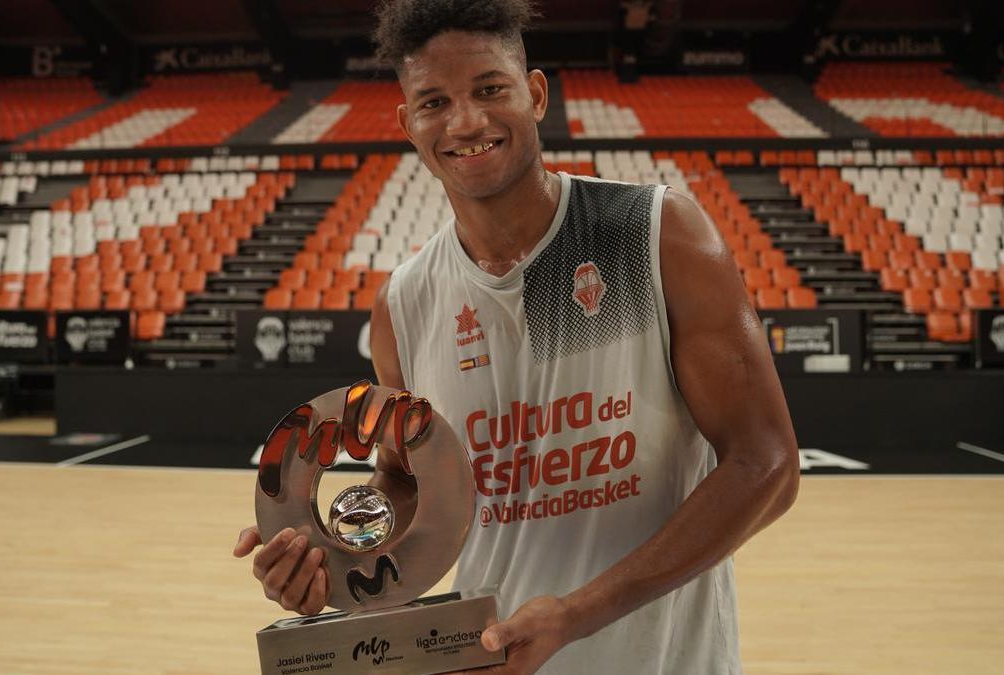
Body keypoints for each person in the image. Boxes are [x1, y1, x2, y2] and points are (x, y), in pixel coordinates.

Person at [234, 1, 801, 672]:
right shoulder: (406, 300)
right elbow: (403, 477)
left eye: (489, 89)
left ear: (534, 95)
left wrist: (578, 612)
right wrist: (335, 552)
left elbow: (766, 464)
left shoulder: (651, 232)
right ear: (408, 124)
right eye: (434, 101)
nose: (466, 121)